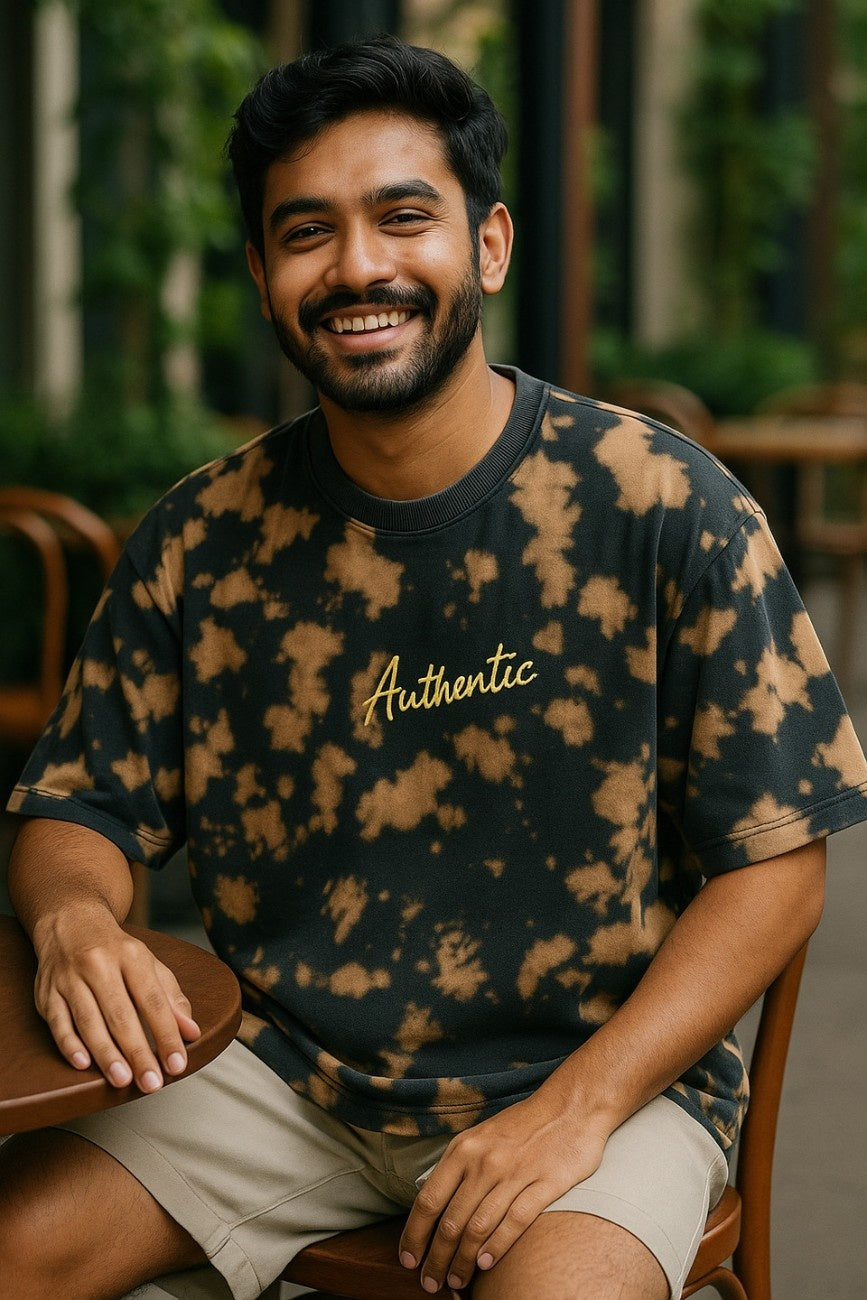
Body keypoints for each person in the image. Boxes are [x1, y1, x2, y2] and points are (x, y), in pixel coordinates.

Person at [1, 34, 865, 1300]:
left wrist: (580, 1107)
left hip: (598, 1085)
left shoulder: (664, 504)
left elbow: (779, 864)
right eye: (307, 232)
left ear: (491, 246)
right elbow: (75, 803)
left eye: (404, 217)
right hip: (276, 1073)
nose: (359, 266)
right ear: (260, 272)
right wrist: (74, 914)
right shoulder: (200, 536)